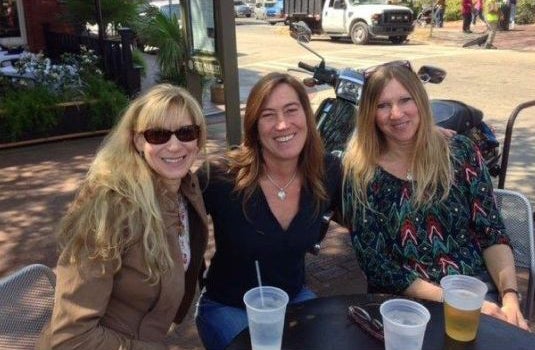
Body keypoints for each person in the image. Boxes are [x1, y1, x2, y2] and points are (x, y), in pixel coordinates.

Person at [341, 61, 529, 330]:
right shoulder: (361, 171)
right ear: (369, 113)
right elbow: (376, 264)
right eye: (382, 105)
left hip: (474, 289)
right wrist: (448, 298)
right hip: (403, 301)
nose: (396, 114)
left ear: (420, 101)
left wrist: (510, 298)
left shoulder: (460, 152)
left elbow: (491, 231)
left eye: (405, 100)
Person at [36, 84, 210, 349]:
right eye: (158, 135)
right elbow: (71, 338)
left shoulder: (187, 189)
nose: (175, 145)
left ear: (198, 139)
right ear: (138, 141)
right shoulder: (109, 209)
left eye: (186, 132)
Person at [195, 72, 341, 350]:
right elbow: (170, 208)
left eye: (291, 110)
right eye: (268, 115)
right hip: (227, 306)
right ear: (254, 127)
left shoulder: (327, 171)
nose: (282, 124)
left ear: (306, 117)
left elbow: (369, 187)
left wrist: (420, 138)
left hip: (293, 298)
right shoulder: (219, 177)